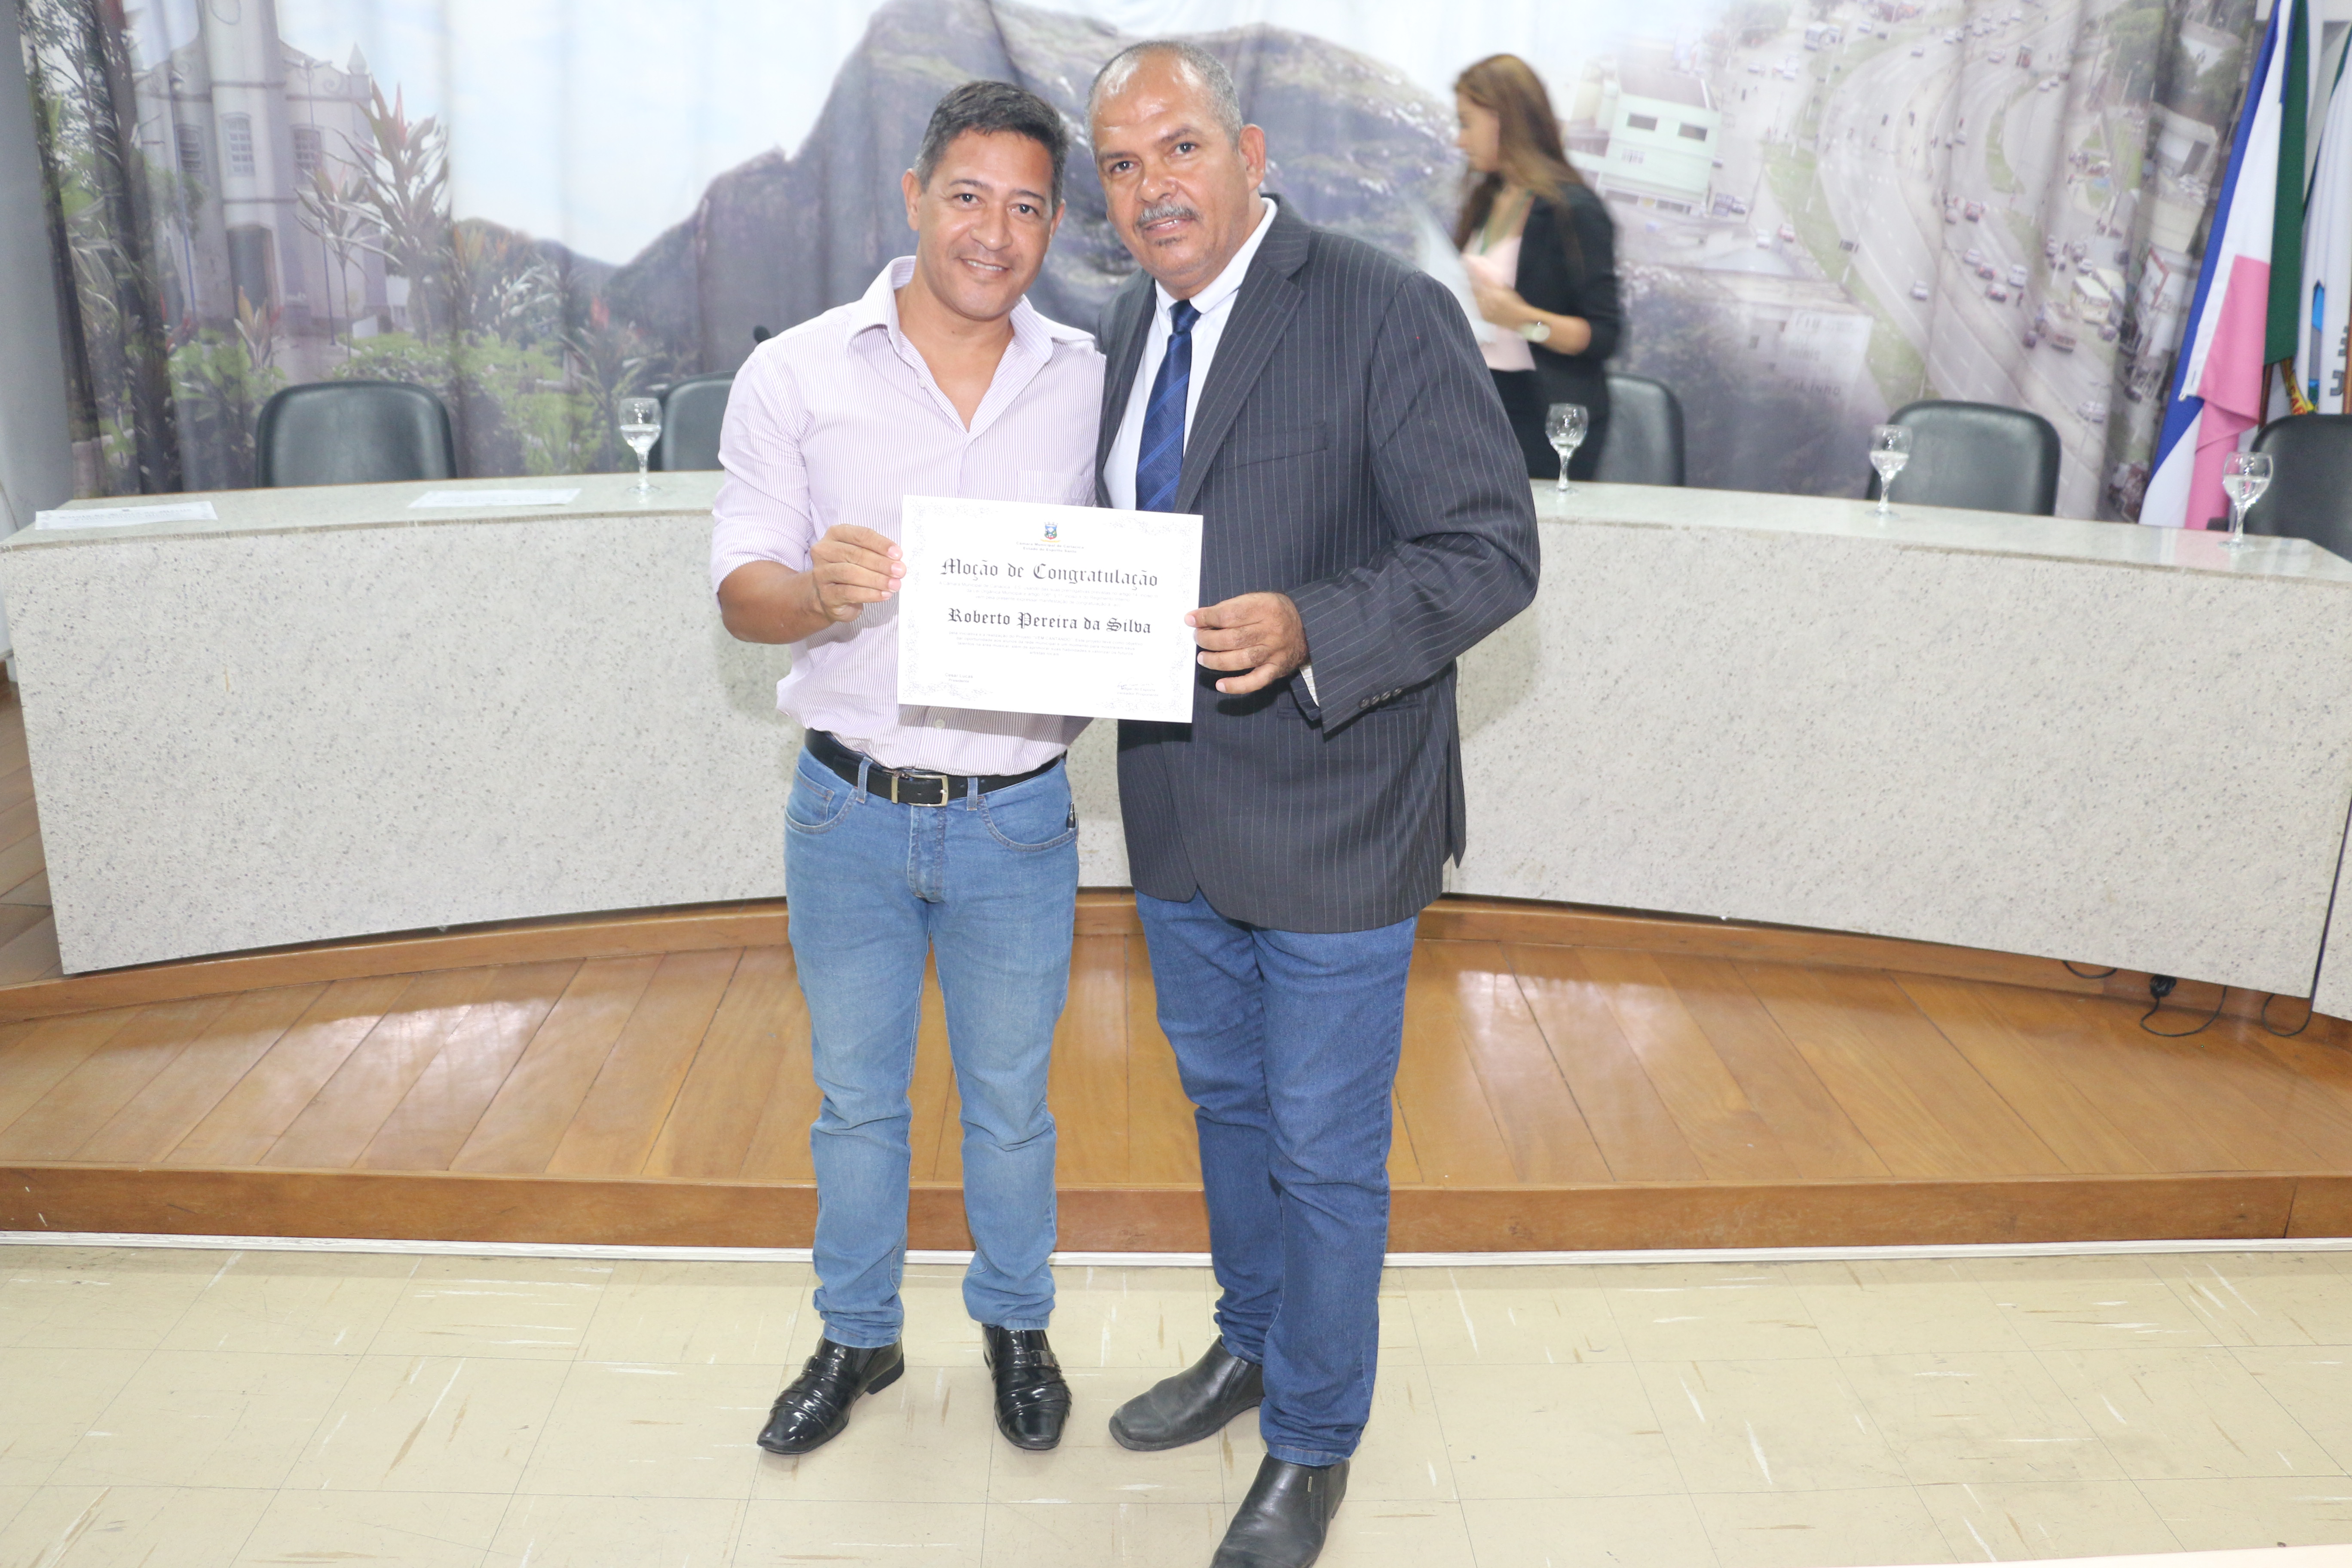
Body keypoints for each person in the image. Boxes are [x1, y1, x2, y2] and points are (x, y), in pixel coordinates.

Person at [1085, 40, 1540, 1568]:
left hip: (1342, 810)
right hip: (1175, 809)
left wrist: (1312, 627)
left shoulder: (1380, 307)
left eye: (1180, 147)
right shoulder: (1123, 327)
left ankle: (1313, 1437)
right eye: (1122, 164)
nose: (1154, 186)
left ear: (1251, 152)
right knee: (1227, 1109)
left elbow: (1490, 549)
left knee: (1326, 1146)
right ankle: (1251, 1341)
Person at [708, 79, 1102, 1458]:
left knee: (1011, 1111)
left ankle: (1016, 1326)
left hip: (1018, 816)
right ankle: (857, 1335)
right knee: (858, 1103)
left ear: (1054, 223)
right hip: (849, 809)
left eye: (1028, 206)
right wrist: (815, 591)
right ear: (914, 197)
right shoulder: (795, 374)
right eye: (968, 196)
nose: (994, 232)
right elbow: (741, 594)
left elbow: (1139, 572)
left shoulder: (1091, 383)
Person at [1452, 53, 1623, 481]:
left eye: (1467, 123)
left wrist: (1523, 320)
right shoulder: (1487, 199)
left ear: (1503, 120)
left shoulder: (1574, 211)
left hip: (1539, 421)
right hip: (1476, 402)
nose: (1460, 140)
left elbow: (1603, 335)